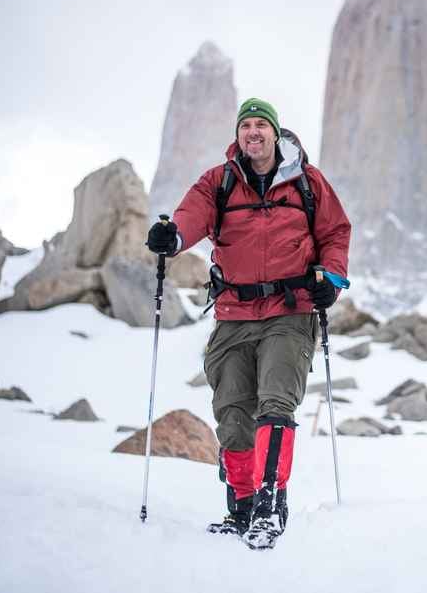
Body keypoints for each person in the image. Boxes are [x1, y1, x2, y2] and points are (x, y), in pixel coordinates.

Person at [145, 97, 350, 549]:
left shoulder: (307, 182)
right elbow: (191, 217)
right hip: (234, 314)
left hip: (290, 310)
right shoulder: (218, 182)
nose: (253, 132)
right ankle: (240, 508)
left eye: (261, 124)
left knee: (276, 404)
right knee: (233, 413)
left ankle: (269, 506)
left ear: (276, 133)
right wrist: (173, 237)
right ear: (238, 134)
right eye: (246, 125)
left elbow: (335, 232)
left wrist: (331, 278)